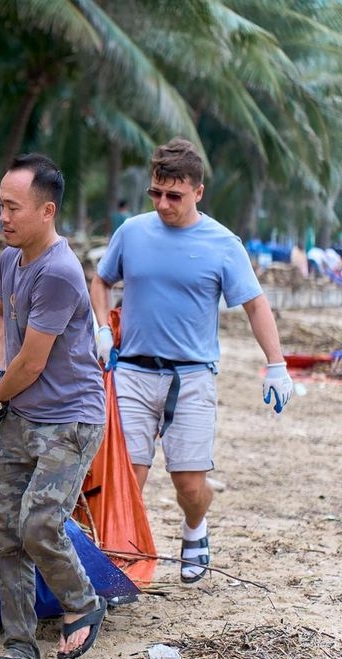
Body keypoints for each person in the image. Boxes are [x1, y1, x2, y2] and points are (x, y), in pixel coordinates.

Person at [90, 138, 294, 587]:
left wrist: (276, 364)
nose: (163, 204)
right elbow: (100, 280)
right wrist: (102, 330)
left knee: (189, 485)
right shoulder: (132, 232)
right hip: (134, 373)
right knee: (128, 479)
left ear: (198, 192)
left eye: (174, 196)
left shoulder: (223, 244)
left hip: (192, 377)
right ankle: (122, 563)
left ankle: (195, 528)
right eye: (156, 193)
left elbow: (256, 305)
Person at [0, 154, 108, 659]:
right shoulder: (10, 260)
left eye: (13, 207)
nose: (2, 217)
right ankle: (19, 646)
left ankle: (82, 603)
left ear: (47, 210)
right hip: (20, 416)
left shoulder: (59, 272)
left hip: (69, 422)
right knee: (6, 536)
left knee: (39, 525)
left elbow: (31, 362)